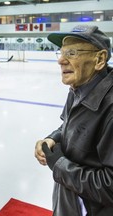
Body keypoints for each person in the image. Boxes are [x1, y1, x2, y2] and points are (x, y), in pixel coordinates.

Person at [34, 25, 113, 215]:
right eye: (60, 53)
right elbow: (71, 125)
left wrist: (60, 164)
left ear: (100, 59)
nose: (61, 60)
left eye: (72, 53)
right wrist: (53, 138)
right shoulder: (79, 88)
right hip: (69, 202)